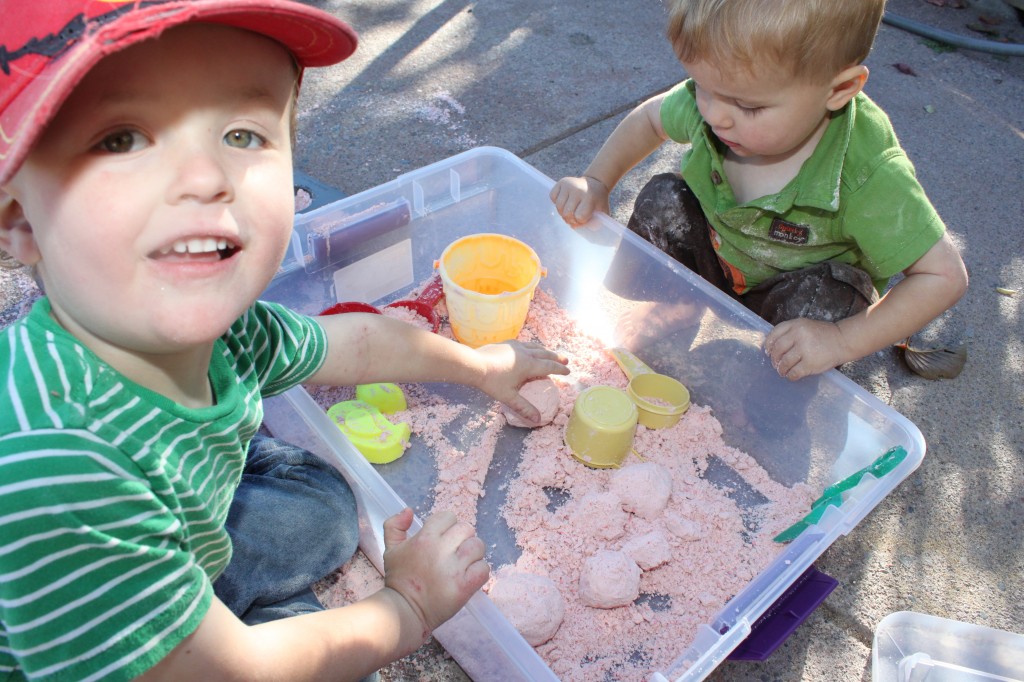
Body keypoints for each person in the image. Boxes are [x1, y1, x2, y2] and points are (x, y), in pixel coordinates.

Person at [0, 2, 570, 680]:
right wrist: (409, 607)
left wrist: (478, 365)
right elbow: (235, 671)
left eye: (242, 134)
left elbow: (351, 344)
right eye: (121, 138)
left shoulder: (225, 333)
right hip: (91, 639)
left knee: (329, 509)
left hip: (175, 544)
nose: (206, 177)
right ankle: (211, 620)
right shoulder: (57, 466)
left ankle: (203, 603)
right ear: (19, 226)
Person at [551, 0, 968, 380]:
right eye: (701, 87)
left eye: (748, 107)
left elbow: (943, 276)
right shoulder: (719, 102)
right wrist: (597, 180)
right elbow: (650, 120)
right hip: (714, 257)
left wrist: (841, 340)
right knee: (664, 200)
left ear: (839, 90)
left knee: (829, 295)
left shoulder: (867, 173)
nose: (715, 115)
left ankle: (779, 377)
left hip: (791, 303)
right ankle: (670, 306)